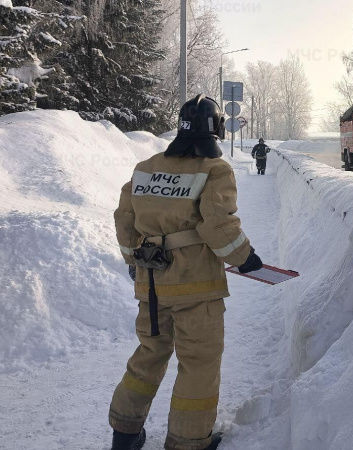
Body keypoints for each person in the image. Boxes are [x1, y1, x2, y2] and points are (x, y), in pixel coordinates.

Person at [110, 94, 264, 450]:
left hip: (151, 285)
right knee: (198, 363)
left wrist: (136, 262)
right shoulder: (214, 170)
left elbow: (124, 221)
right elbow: (217, 225)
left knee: (148, 355)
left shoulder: (145, 167)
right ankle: (188, 441)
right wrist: (243, 257)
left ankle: (124, 433)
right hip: (196, 288)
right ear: (215, 131)